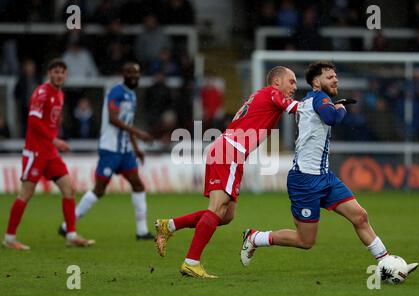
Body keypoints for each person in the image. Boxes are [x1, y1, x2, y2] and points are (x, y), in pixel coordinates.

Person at [239, 61, 419, 276]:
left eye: (336, 76)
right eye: (330, 77)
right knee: (305, 241)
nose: (335, 80)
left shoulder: (314, 100)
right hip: (305, 181)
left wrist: (335, 106)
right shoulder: (318, 97)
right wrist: (340, 108)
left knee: (360, 216)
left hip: (325, 177)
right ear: (317, 81)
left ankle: (386, 262)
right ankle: (255, 237)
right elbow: (332, 118)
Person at [154, 66, 300, 278]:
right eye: (291, 81)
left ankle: (170, 225)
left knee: (226, 215)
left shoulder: (263, 96)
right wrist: (322, 105)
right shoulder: (272, 93)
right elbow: (294, 108)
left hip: (228, 150)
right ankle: (191, 262)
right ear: (277, 81)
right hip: (230, 151)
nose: (295, 86)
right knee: (217, 207)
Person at [3, 59, 95, 250]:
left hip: (50, 153)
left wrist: (54, 141)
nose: (59, 75)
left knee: (69, 189)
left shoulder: (59, 94)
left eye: (62, 72)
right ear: (49, 73)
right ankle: (10, 238)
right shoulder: (42, 93)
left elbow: (51, 122)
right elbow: (34, 122)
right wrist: (55, 140)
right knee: (25, 194)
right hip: (36, 153)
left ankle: (71, 234)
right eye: (56, 72)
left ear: (66, 75)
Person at [58, 62, 155, 240]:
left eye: (137, 74)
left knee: (138, 185)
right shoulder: (116, 92)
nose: (135, 77)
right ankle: (67, 225)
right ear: (124, 74)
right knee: (99, 190)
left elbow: (128, 124)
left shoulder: (132, 96)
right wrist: (139, 133)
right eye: (131, 73)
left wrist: (136, 148)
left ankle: (142, 231)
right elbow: (113, 119)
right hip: (110, 149)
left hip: (125, 151)